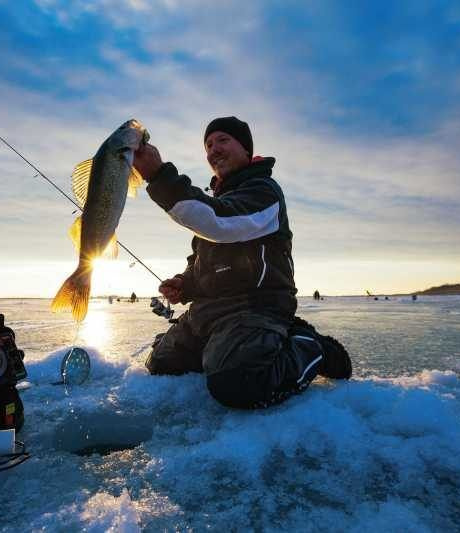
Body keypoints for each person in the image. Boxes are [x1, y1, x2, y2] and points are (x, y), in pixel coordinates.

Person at [133, 117, 351, 409]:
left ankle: (308, 345)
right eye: (209, 145)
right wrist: (184, 284)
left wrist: (159, 175)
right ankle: (225, 348)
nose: (214, 150)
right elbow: (201, 261)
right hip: (209, 313)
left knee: (237, 382)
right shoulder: (217, 200)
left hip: (256, 308)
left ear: (246, 149)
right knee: (161, 364)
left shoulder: (263, 192)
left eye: (223, 140)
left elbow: (219, 223)